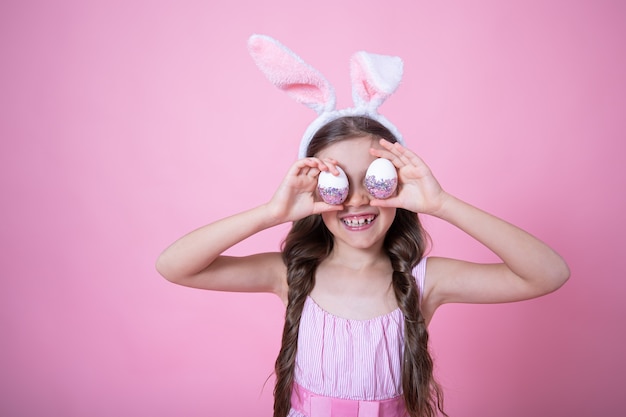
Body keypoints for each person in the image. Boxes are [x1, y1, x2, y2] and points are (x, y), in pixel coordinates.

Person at [156, 36, 570, 417]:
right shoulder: (291, 274)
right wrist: (270, 213)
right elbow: (175, 265)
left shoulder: (425, 280)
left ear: (398, 182)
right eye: (337, 184)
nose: (356, 199)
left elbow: (548, 274)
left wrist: (442, 204)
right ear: (315, 194)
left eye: (374, 180)